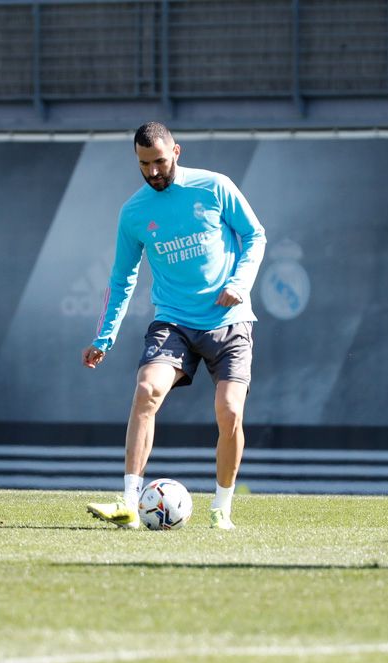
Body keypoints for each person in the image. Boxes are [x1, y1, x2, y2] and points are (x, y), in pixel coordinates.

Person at [82, 122, 266, 530]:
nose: (152, 172)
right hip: (174, 321)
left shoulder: (214, 187)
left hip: (229, 320)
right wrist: (104, 337)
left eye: (159, 162)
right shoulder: (133, 213)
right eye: (143, 164)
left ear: (177, 152)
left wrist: (240, 283)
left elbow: (255, 235)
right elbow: (121, 278)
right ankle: (129, 502)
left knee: (230, 410)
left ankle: (222, 508)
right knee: (147, 389)